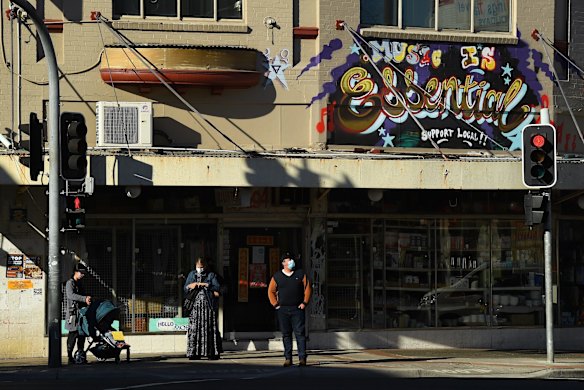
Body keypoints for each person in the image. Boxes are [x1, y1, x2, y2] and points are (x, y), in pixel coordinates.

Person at [268, 251, 312, 367]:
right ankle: (288, 358)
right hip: (283, 309)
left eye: (291, 259)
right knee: (286, 334)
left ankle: (302, 358)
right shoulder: (277, 276)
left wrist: (304, 302)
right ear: (283, 263)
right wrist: (275, 304)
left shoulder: (300, 274)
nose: (291, 261)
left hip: (297, 309)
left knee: (300, 334)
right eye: (288, 260)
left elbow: (307, 288)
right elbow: (271, 291)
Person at [184, 257, 223, 360]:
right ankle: (194, 353)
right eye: (198, 267)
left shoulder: (211, 275)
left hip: (208, 306)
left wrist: (205, 284)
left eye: (201, 267)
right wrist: (191, 285)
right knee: (195, 328)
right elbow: (185, 288)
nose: (200, 269)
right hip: (195, 307)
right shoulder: (192, 274)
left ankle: (211, 352)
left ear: (205, 266)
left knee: (209, 328)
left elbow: (217, 287)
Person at [65, 263, 91, 364]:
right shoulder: (70, 283)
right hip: (73, 314)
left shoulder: (79, 284)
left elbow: (83, 295)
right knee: (73, 335)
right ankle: (70, 356)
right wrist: (84, 298)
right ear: (76, 272)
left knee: (82, 335)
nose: (83, 275)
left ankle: (81, 356)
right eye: (81, 273)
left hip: (81, 313)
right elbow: (71, 295)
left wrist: (88, 298)